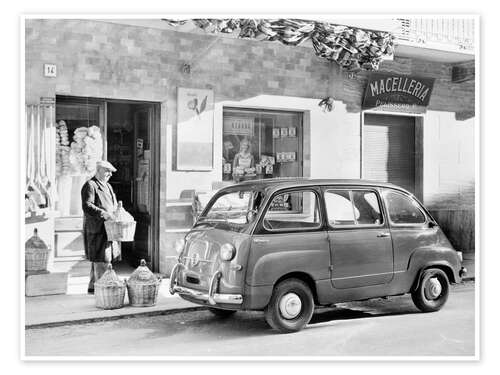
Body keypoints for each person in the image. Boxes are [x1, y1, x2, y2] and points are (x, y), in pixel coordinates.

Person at [81, 160, 121, 294]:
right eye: (107, 171)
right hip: (97, 228)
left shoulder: (108, 186)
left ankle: (93, 287)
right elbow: (87, 206)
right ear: (98, 171)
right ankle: (103, 291)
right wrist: (103, 213)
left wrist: (117, 211)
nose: (110, 174)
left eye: (111, 172)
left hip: (108, 228)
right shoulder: (90, 185)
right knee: (102, 259)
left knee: (101, 258)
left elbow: (113, 204)